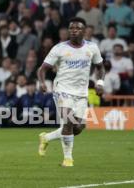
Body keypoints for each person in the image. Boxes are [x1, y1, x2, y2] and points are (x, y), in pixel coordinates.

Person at [37, 17, 104, 167]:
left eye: (78, 28)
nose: (74, 31)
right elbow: (42, 69)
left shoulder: (92, 48)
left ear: (84, 31)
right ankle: (68, 159)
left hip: (81, 93)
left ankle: (46, 138)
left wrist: (100, 83)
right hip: (62, 90)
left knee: (78, 128)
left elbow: (101, 67)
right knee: (68, 121)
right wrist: (42, 82)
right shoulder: (59, 48)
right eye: (71, 28)